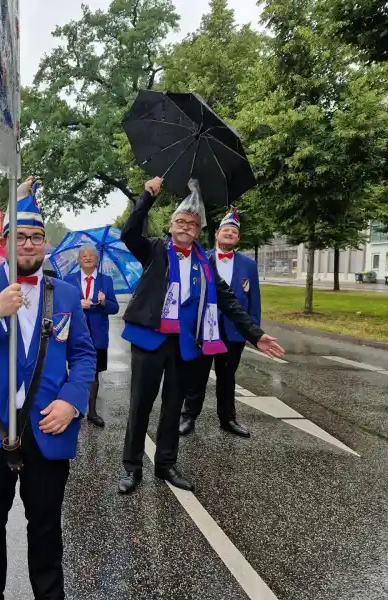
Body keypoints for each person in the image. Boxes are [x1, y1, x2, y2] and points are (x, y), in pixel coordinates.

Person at [0, 177, 96, 600]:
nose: (29, 244)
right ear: (5, 242)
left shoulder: (64, 294)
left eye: (36, 237)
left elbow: (84, 355)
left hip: (48, 426)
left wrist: (72, 402)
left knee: (46, 528)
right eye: (20, 237)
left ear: (45, 244)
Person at [117, 177, 285, 495]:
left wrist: (256, 335)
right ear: (170, 226)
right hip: (150, 340)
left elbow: (229, 301)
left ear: (198, 231)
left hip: (185, 345)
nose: (186, 227)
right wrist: (147, 196)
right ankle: (131, 467)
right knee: (140, 406)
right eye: (181, 222)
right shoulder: (154, 250)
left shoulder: (205, 263)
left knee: (172, 408)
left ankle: (166, 464)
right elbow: (129, 233)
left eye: (192, 224)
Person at [180, 207, 261, 438]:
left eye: (234, 232)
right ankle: (188, 417)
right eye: (226, 230)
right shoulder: (201, 258)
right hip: (205, 329)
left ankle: (228, 419)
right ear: (216, 234)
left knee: (227, 377)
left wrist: (253, 331)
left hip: (233, 331)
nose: (229, 233)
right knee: (197, 375)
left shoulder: (249, 265)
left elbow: (254, 299)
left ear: (238, 239)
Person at [67, 244, 119, 427]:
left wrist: (104, 302)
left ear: (97, 260)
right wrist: (77, 303)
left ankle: (92, 412)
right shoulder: (69, 279)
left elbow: (115, 308)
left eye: (91, 255)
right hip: (75, 333)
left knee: (94, 374)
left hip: (98, 335)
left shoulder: (106, 281)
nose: (88, 258)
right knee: (74, 370)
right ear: (79, 260)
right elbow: (61, 305)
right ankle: (72, 408)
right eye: (84, 255)